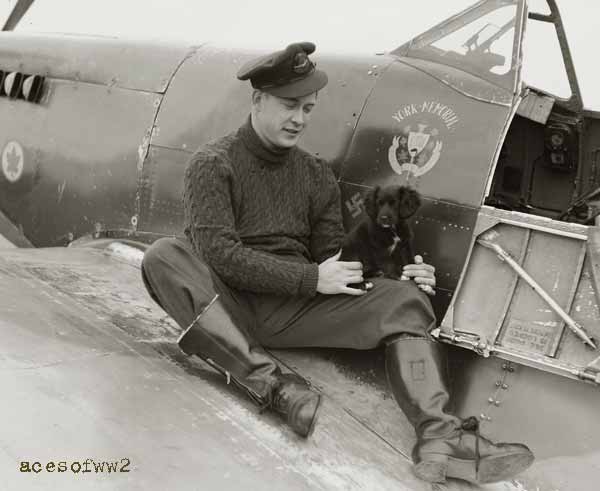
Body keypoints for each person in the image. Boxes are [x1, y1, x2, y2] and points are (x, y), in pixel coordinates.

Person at [140, 42, 534, 484]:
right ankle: (275, 387)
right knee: (163, 257)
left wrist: (397, 272)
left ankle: (440, 438)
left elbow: (335, 257)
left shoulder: (315, 173)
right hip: (226, 301)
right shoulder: (212, 164)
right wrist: (311, 277)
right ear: (257, 100)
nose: (299, 119)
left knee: (404, 299)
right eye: (290, 105)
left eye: (308, 108)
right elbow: (220, 255)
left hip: (291, 309)